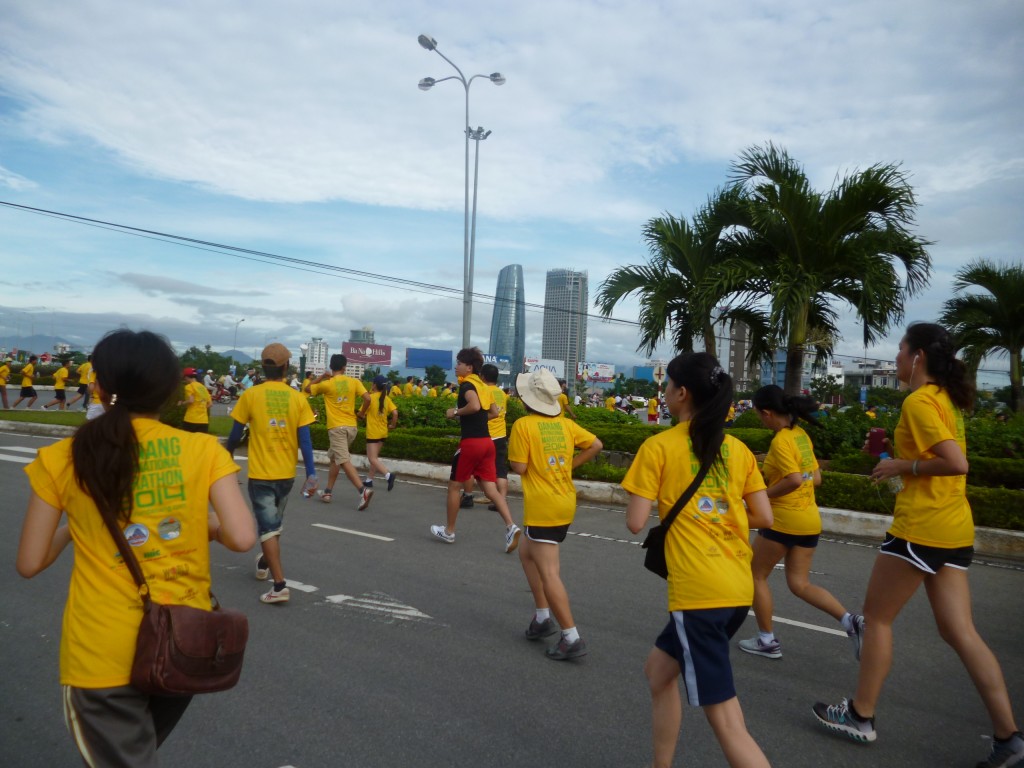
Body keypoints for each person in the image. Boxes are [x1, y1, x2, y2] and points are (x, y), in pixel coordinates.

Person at [16, 329, 255, 767]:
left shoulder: (61, 459)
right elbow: (241, 538)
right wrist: (206, 525)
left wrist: (77, 524)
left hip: (100, 658)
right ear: (170, 391)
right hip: (183, 644)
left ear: (99, 386)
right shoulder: (203, 449)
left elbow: (30, 563)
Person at [813, 323, 1023, 765]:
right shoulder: (946, 400)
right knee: (960, 632)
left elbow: (955, 462)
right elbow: (941, 456)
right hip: (953, 529)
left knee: (877, 620)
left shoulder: (920, 400)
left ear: (919, 357)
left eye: (901, 350)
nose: (897, 358)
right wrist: (904, 458)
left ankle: (860, 716)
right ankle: (1008, 738)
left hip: (920, 529)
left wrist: (901, 466)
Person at [622, 352, 773, 768]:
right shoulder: (738, 450)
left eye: (668, 385)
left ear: (681, 393)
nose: (665, 392)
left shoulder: (658, 447)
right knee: (658, 672)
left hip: (700, 596)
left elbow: (636, 522)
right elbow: (764, 516)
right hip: (737, 586)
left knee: (725, 719)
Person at [737, 384, 864, 660]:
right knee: (800, 584)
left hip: (783, 520)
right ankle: (849, 621)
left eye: (759, 414)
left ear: (767, 413)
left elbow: (794, 479)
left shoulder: (781, 440)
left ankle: (767, 640)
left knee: (755, 575)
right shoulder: (801, 435)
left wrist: (759, 498)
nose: (760, 418)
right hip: (809, 521)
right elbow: (814, 478)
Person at [510, 368, 603, 660]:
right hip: (563, 500)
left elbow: (520, 468)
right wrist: (568, 466)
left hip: (543, 506)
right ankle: (541, 618)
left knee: (549, 573)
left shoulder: (524, 425)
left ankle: (570, 636)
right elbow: (596, 445)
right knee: (526, 554)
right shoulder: (565, 425)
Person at [227, 343, 318, 604]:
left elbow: (234, 435)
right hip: (287, 476)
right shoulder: (297, 398)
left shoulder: (251, 395)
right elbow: (306, 441)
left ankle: (279, 586)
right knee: (274, 524)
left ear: (263, 368)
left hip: (261, 474)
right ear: (286, 367)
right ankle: (265, 561)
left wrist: (228, 454)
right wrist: (311, 474)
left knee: (268, 527)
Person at [429, 347, 521, 552]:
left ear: (469, 367)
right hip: (487, 443)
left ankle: (450, 531)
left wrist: (456, 413)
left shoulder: (468, 385)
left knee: (454, 486)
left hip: (471, 444)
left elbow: (474, 406)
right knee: (489, 487)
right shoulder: (484, 386)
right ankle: (510, 526)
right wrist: (475, 417)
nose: (456, 366)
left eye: (459, 363)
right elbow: (494, 412)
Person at [310, 354, 373, 509]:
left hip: (337, 428)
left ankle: (363, 491)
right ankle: (327, 491)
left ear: (331, 367)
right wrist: (361, 413)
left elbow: (307, 389)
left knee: (343, 460)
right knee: (335, 459)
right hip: (351, 427)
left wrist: (321, 377)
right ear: (345, 367)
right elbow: (368, 399)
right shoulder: (354, 382)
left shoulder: (327, 384)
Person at [462, 364, 509, 512]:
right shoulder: (502, 393)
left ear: (482, 377)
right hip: (501, 434)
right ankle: (500, 499)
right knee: (500, 469)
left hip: (486, 434)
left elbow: (479, 411)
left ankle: (469, 495)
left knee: (473, 468)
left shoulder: (483, 390)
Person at [357, 375, 399, 494]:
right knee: (375, 458)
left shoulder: (370, 398)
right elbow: (395, 413)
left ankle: (388, 476)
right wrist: (392, 425)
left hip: (373, 433)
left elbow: (361, 414)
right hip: (383, 432)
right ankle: (369, 480)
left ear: (374, 385)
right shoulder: (386, 398)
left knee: (372, 458)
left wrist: (359, 415)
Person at [179, 367, 212, 433]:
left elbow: (191, 400)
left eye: (184, 378)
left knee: (188, 441)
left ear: (187, 377)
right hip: (203, 421)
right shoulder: (203, 387)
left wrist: (182, 403)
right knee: (200, 442)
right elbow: (210, 404)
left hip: (191, 419)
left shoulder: (189, 386)